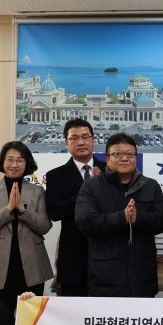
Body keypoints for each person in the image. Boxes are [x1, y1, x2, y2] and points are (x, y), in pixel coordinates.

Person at [75, 133, 163, 297]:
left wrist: (138, 218)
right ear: (107, 158)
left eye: (130, 154)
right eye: (117, 154)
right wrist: (121, 217)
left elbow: (162, 221)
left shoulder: (150, 186)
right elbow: (85, 221)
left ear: (136, 158)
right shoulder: (92, 186)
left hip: (143, 275)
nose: (124, 158)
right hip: (105, 277)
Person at [0, 141, 53, 311]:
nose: (14, 164)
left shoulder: (37, 191)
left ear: (27, 163)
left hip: (31, 265)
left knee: (30, 318)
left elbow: (44, 226)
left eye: (20, 160)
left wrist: (22, 209)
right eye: (9, 159)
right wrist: (9, 209)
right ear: (2, 162)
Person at [45, 119, 106, 297]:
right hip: (73, 257)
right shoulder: (56, 175)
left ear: (93, 140)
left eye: (85, 137)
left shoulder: (109, 171)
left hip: (107, 254)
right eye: (74, 138)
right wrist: (88, 188)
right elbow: (55, 212)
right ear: (66, 143)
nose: (81, 142)